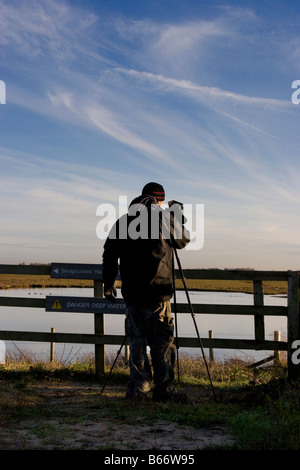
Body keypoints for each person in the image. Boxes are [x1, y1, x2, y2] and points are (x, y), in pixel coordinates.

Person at [102, 182, 190, 402]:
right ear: (159, 200)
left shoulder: (124, 221)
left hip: (132, 294)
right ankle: (164, 391)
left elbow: (109, 254)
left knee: (137, 343)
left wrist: (108, 283)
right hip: (158, 294)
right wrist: (176, 215)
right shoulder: (164, 219)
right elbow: (183, 240)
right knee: (162, 344)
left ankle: (139, 391)